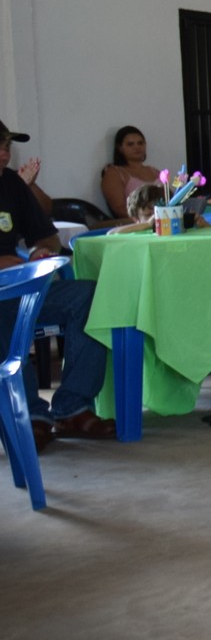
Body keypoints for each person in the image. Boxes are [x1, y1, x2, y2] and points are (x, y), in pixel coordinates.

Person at [0, 129, 112, 447]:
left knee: (87, 295)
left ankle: (72, 408)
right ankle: (29, 415)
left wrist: (37, 252)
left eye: (6, 146)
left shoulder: (10, 184)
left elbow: (47, 236)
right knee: (5, 305)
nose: (5, 154)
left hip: (21, 286)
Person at [100, 125, 163, 220]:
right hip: (136, 223)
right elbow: (120, 209)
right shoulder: (114, 173)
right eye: (130, 144)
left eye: (140, 143)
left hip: (164, 222)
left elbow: (170, 200)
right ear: (119, 148)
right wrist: (146, 220)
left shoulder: (155, 171)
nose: (137, 147)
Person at [0, 120, 54, 217]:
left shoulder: (10, 177)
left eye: (7, 148)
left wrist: (28, 186)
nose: (5, 156)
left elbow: (46, 211)